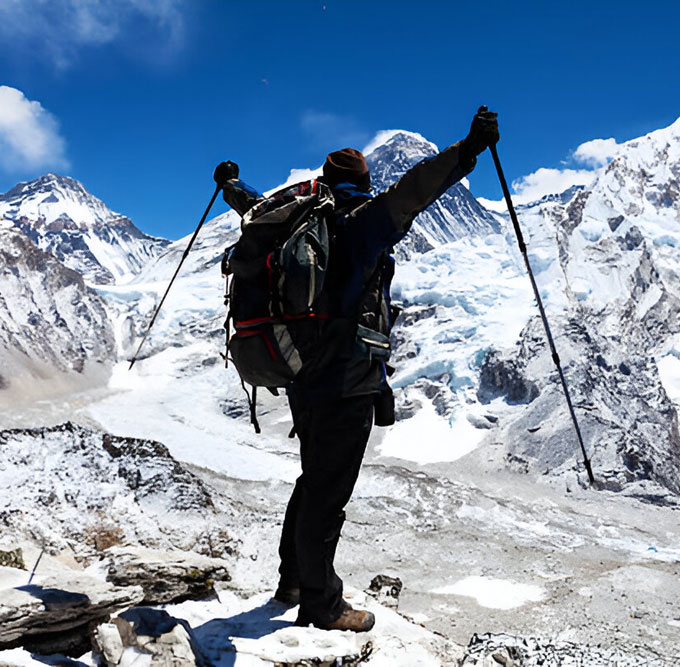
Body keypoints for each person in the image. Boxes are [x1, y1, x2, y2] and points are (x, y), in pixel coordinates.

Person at [213, 107, 499, 632]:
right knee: (328, 493)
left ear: (322, 182)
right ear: (363, 184)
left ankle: (293, 580)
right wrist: (469, 149)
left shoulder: (302, 219)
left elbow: (254, 206)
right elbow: (415, 191)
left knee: (313, 479)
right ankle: (321, 605)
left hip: (303, 375)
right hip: (345, 381)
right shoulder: (362, 224)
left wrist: (231, 184)